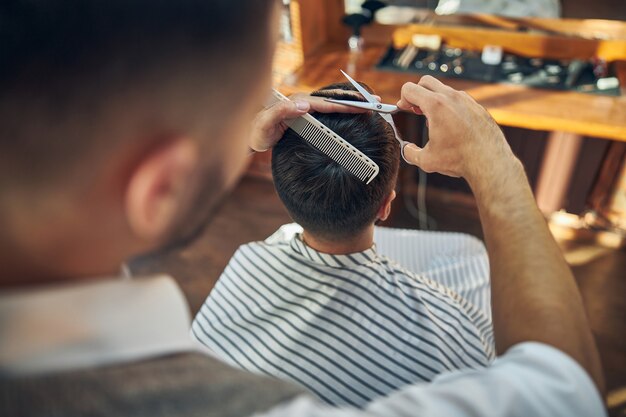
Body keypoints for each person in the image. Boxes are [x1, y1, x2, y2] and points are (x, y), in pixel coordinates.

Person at [0, 1, 606, 416]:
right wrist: (495, 164)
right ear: (388, 202)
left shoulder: (241, 269)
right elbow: (564, 390)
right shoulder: (447, 327)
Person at [192, 81, 495, 407]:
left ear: (284, 193)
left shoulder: (245, 263)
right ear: (386, 205)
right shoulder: (447, 328)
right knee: (471, 252)